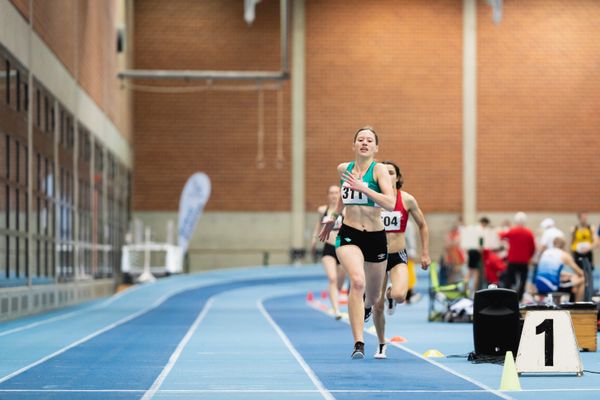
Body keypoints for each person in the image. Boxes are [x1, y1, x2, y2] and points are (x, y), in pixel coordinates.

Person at [319, 126, 395, 359]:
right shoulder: (344, 169)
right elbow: (343, 196)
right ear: (353, 145)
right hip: (350, 233)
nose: (364, 143)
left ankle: (369, 307)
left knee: (373, 297)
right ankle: (359, 342)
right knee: (357, 281)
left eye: (369, 140)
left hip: (375, 236)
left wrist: (364, 188)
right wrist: (332, 218)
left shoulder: (379, 170)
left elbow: (390, 203)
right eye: (360, 139)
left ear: (376, 147)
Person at [372, 161, 430, 359]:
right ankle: (381, 344)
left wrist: (425, 253)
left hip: (398, 255)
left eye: (391, 173)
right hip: (376, 257)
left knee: (400, 295)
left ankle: (391, 295)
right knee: (376, 305)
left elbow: (422, 225)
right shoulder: (373, 199)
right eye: (383, 173)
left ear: (397, 177)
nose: (387, 176)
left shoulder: (406, 199)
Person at [311, 185, 346, 319]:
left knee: (340, 279)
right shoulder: (322, 210)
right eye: (331, 193)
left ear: (340, 194)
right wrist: (314, 240)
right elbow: (318, 226)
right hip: (329, 248)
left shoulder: (345, 210)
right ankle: (336, 309)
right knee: (332, 278)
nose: (333, 195)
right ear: (327, 195)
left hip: (342, 248)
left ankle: (334, 297)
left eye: (336, 192)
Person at [534, 236, 585, 302]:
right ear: (564, 246)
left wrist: (568, 274)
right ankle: (578, 305)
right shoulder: (564, 255)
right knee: (583, 279)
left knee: (566, 279)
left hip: (538, 285)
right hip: (551, 287)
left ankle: (557, 304)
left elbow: (550, 270)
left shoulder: (545, 252)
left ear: (553, 243)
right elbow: (580, 273)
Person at [500, 212, 536, 302]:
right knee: (523, 280)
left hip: (512, 260)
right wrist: (528, 257)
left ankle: (505, 296)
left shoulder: (512, 231)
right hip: (524, 261)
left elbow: (501, 236)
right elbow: (533, 248)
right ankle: (519, 298)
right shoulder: (529, 233)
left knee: (509, 279)